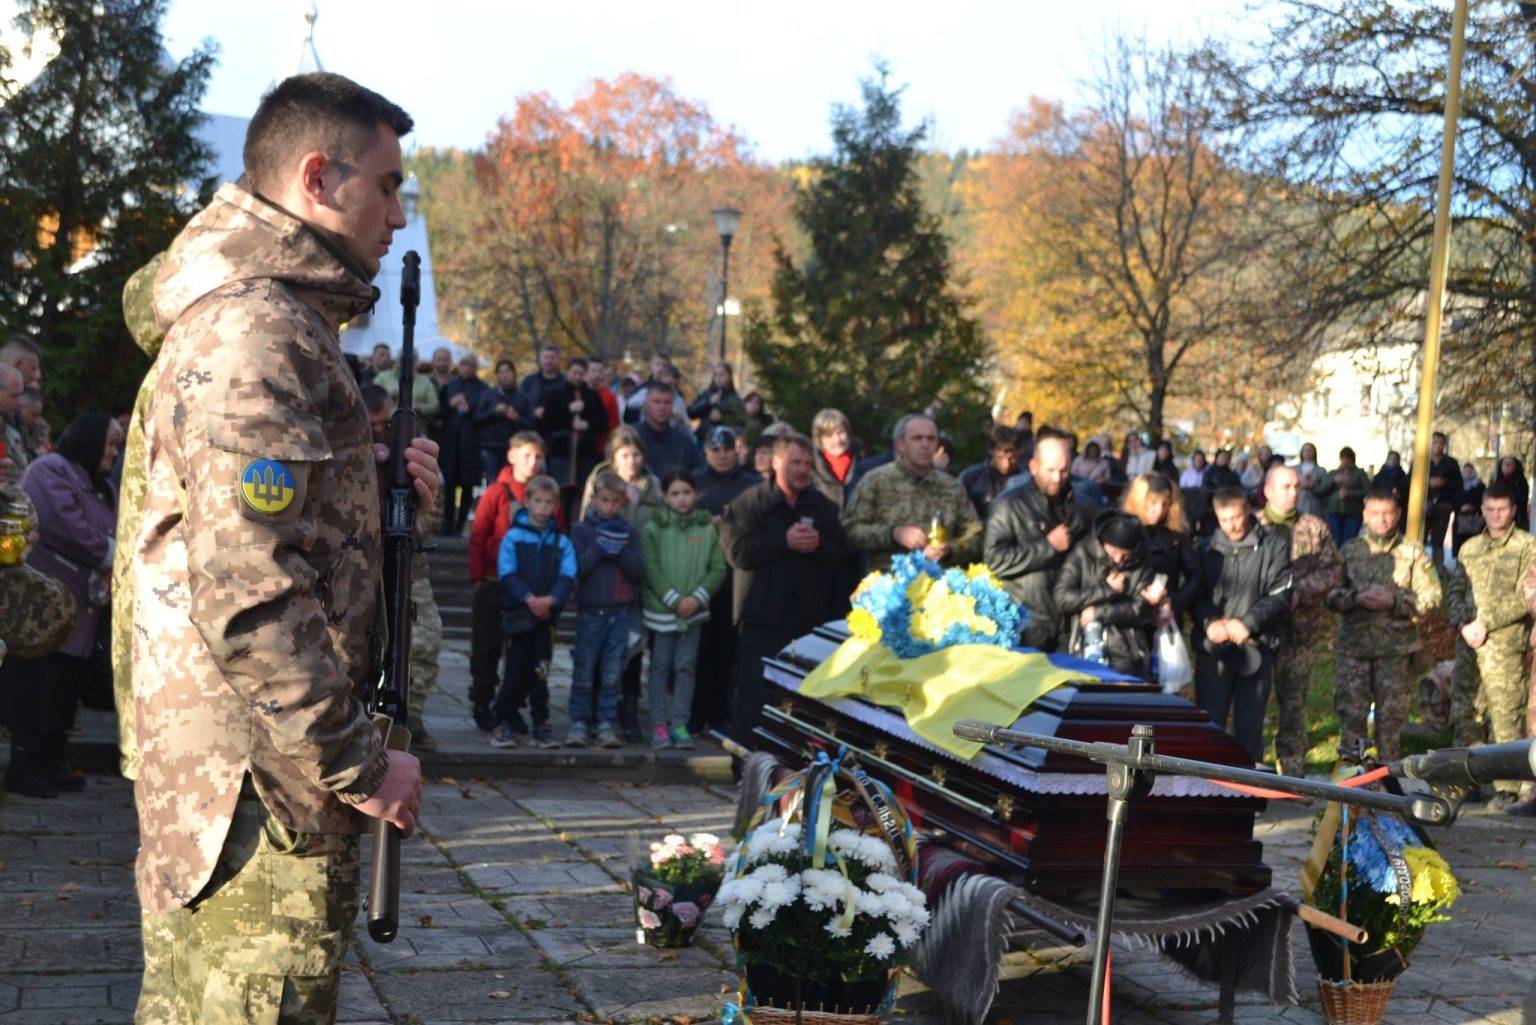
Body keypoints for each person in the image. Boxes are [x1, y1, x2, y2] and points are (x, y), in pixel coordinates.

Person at [127, 73, 438, 1023]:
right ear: (317, 178)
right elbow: (249, 592)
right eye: (387, 186)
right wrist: (364, 763)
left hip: (259, 784)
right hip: (256, 796)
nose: (398, 215)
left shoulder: (280, 323)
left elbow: (284, 542)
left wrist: (382, 498)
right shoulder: (256, 334)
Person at [0, 413, 120, 797]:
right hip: (44, 607)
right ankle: (25, 766)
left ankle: (52, 761)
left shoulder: (98, 483)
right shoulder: (50, 470)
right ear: (90, 439)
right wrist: (109, 553)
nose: (114, 452)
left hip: (81, 607)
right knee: (37, 688)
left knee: (65, 690)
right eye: (110, 443)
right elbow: (63, 524)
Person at [719, 434, 848, 745]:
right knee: (753, 699)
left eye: (807, 463)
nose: (802, 469)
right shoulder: (748, 504)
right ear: (776, 462)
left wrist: (819, 546)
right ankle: (746, 762)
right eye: (795, 462)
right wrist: (783, 541)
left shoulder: (824, 508)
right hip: (762, 620)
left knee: (803, 705)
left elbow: (842, 556)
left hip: (808, 624)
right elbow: (737, 554)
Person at [1326, 487, 1441, 765]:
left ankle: (1388, 782)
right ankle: (1352, 783)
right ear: (1365, 515)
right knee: (1351, 717)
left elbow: (1433, 597)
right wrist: (1355, 598)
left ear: (1398, 514)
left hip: (1395, 652)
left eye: (1388, 513)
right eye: (1375, 513)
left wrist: (1395, 602)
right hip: (1355, 649)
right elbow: (1329, 594)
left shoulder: (1412, 552)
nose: (1382, 519)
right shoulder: (1350, 550)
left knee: (1391, 722)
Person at [363, 386, 444, 752]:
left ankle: (410, 718)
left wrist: (407, 515)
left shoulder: (413, 453)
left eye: (385, 425)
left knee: (425, 643)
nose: (379, 433)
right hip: (362, 567)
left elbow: (432, 516)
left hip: (410, 568)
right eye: (372, 425)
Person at [1446, 483, 1536, 811]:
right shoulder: (1470, 547)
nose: (1496, 516)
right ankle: (1467, 780)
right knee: (1466, 712)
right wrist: (1462, 624)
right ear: (1482, 510)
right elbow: (1455, 590)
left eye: (1502, 509)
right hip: (1468, 643)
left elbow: (1525, 597)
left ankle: (1506, 786)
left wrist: (1486, 623)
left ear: (1514, 510)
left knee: (1504, 715)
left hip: (1504, 645)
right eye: (1490, 509)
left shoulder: (1527, 546)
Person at [1190, 487, 1293, 763]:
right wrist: (1209, 621)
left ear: (1247, 510)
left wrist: (1249, 623)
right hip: (1213, 647)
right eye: (1224, 519)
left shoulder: (1274, 546)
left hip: (1255, 646)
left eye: (1236, 517)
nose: (1232, 525)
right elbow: (1194, 594)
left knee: (1249, 728)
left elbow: (1281, 593)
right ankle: (1205, 785)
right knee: (1209, 725)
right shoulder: (1206, 548)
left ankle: (1247, 786)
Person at [578, 426, 662, 741]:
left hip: (637, 575)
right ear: (614, 458)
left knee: (632, 649)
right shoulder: (600, 483)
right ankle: (593, 713)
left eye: (637, 454)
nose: (632, 460)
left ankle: (627, 710)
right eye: (625, 455)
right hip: (602, 581)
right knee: (597, 654)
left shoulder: (652, 487)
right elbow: (585, 521)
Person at [1261, 465, 1342, 776]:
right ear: (1268, 490)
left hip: (1299, 632)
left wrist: (1300, 592)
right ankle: (1249, 774)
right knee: (1252, 707)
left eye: (1296, 486)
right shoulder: (1255, 526)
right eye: (1285, 487)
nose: (1293, 492)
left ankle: (1292, 775)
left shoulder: (1314, 528)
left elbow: (1332, 571)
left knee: (1293, 706)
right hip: (1260, 631)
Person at [467, 432, 550, 732]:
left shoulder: (545, 495)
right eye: (527, 455)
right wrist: (478, 576)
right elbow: (479, 534)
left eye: (538, 456)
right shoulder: (496, 492)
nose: (533, 462)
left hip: (529, 588)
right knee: (487, 647)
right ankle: (482, 702)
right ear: (512, 456)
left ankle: (511, 706)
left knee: (522, 654)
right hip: (494, 581)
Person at [984, 434, 1096, 650]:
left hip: (1072, 620)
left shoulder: (1083, 508)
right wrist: (1048, 547)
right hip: (1027, 621)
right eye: (1050, 470)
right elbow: (994, 559)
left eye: (1064, 471)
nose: (1057, 478)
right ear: (1034, 467)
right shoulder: (1008, 505)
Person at [642, 470, 727, 749]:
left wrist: (697, 598)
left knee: (686, 668)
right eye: (675, 493)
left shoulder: (705, 528)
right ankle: (658, 724)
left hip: (694, 613)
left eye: (687, 492)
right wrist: (674, 599)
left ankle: (680, 723)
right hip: (663, 612)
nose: (682, 499)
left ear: (696, 494)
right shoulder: (654, 528)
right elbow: (651, 567)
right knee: (659, 667)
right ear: (665, 497)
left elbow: (717, 568)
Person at [491, 475, 573, 749]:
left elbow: (568, 575)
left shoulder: (561, 542)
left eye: (548, 503)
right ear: (527, 502)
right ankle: (503, 720)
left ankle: (541, 722)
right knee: (514, 670)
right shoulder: (513, 537)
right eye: (538, 501)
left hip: (546, 618)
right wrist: (529, 598)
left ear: (556, 506)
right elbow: (507, 573)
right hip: (518, 616)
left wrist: (551, 600)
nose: (542, 508)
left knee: (541, 672)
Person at [843, 414, 982, 572]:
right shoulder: (875, 482)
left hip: (940, 581)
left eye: (931, 439)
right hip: (889, 580)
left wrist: (949, 551)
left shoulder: (952, 487)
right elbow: (851, 531)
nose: (925, 445)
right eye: (917, 438)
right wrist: (893, 534)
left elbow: (975, 535)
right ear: (900, 445)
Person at [567, 471, 645, 748]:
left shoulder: (630, 532)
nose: (609, 506)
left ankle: (606, 722)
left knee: (612, 672)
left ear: (622, 502)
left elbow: (637, 571)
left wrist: (620, 551)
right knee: (584, 668)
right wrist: (599, 548)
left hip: (620, 612)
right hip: (591, 610)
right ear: (594, 500)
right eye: (604, 500)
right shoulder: (581, 530)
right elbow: (578, 569)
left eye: (615, 501)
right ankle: (579, 721)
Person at [691, 427, 760, 735]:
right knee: (698, 649)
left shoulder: (751, 484)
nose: (721, 455)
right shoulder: (694, 482)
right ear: (706, 451)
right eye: (715, 450)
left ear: (736, 451)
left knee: (728, 649)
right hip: (699, 574)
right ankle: (695, 712)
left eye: (727, 449)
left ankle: (720, 713)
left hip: (735, 577)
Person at [1053, 511, 1162, 676]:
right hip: (1080, 646)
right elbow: (1062, 598)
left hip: (1126, 650)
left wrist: (1099, 613)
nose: (1118, 559)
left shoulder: (1142, 562)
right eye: (1113, 551)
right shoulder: (1082, 553)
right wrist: (1107, 590)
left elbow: (1140, 608)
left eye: (1125, 555)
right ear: (1102, 543)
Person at [1121, 472, 1199, 619]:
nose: (1159, 511)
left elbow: (1195, 574)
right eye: (1153, 503)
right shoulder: (1123, 531)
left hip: (1164, 612)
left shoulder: (1176, 537)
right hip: (1128, 612)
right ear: (1139, 501)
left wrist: (1175, 602)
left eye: (1165, 504)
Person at [539, 356, 610, 491]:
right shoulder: (556, 393)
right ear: (568, 372)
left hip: (585, 453)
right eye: (574, 373)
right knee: (559, 489)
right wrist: (568, 410)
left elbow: (602, 422)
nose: (578, 377)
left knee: (583, 490)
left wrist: (587, 425)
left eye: (581, 374)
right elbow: (548, 418)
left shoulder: (592, 396)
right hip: (561, 451)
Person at [441, 353, 488, 535]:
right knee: (449, 486)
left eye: (471, 366)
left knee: (468, 486)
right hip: (451, 443)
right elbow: (441, 412)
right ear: (459, 366)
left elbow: (485, 415)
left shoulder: (483, 388)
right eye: (464, 365)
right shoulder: (450, 386)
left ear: (476, 368)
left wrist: (470, 410)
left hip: (472, 444)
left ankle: (460, 526)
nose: (467, 369)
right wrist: (451, 405)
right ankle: (447, 525)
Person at [475, 358, 534, 484]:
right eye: (501, 372)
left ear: (513, 374)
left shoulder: (523, 397)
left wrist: (517, 418)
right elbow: (477, 420)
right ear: (497, 375)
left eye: (507, 371)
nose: (504, 375)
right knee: (493, 484)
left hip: (514, 447)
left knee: (513, 483)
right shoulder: (488, 395)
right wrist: (494, 412)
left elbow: (531, 424)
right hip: (491, 447)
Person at [635, 383, 705, 478]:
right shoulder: (633, 437)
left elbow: (700, 469)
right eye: (657, 402)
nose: (662, 407)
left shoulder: (684, 441)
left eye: (667, 402)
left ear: (672, 406)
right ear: (646, 405)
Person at [957, 425, 1021, 520]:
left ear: (1018, 453)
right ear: (992, 452)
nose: (1006, 464)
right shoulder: (970, 478)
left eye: (1012, 458)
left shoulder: (1025, 479)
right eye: (1000, 458)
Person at [378, 345, 442, 437]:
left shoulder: (425, 382)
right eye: (403, 359)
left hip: (416, 432)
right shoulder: (382, 378)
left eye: (413, 360)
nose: (408, 363)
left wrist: (419, 407)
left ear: (417, 362)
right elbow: (372, 401)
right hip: (386, 431)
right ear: (397, 360)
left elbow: (435, 406)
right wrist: (390, 395)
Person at [1314, 446, 1370, 546]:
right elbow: (1320, 491)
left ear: (1352, 460)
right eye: (1343, 458)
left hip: (1353, 513)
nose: (1345, 461)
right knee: (1335, 541)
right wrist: (1334, 481)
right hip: (1333, 512)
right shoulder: (1333, 473)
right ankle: (1336, 556)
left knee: (1349, 541)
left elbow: (1368, 491)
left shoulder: (1360, 473)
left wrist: (1350, 493)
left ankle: (1348, 556)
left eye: (1348, 458)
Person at [1424, 431, 1462, 561]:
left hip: (1443, 506)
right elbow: (1410, 481)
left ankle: (1438, 567)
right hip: (1424, 504)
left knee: (1438, 540)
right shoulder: (1422, 461)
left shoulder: (1451, 463)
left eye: (1441, 443)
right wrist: (1427, 483)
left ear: (1444, 445)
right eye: (1435, 442)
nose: (1438, 445)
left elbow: (1459, 484)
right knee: (1419, 539)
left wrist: (1443, 482)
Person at [687, 362, 746, 444]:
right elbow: (690, 412)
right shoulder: (706, 394)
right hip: (702, 439)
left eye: (722, 375)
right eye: (716, 375)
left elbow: (742, 423)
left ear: (729, 377)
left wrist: (722, 418)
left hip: (724, 443)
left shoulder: (735, 399)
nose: (718, 378)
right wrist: (708, 403)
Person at [1495, 455, 1530, 531]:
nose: (1506, 466)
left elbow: (1521, 499)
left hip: (1516, 518)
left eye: (1509, 464)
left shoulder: (1521, 482)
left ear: (1515, 467)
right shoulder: (1497, 482)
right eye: (1504, 464)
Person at [1295, 442, 1327, 519]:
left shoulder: (1321, 470)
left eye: (1310, 450)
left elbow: (1325, 488)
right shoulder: (1294, 469)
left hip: (1316, 506)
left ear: (1314, 452)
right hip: (1298, 505)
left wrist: (1313, 486)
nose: (1307, 452)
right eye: (1305, 450)